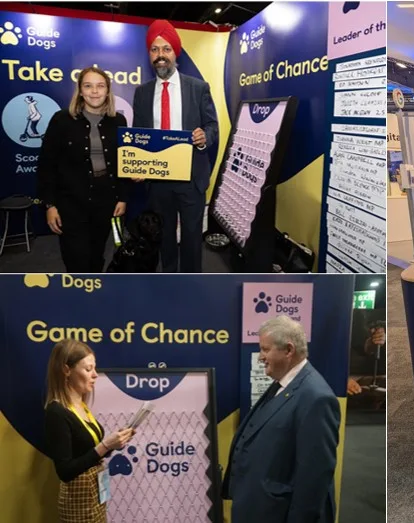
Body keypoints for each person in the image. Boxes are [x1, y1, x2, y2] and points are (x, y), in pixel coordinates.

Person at [222, 316, 341, 523]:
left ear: (288, 350)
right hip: (261, 509)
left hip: (278, 514)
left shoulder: (316, 398)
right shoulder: (284, 383)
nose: (261, 357)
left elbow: (314, 477)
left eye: (265, 349)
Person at [132, 19, 219, 272]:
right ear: (149, 54)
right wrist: (137, 164)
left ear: (175, 52)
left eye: (166, 49)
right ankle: (170, 279)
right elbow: (139, 136)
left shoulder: (198, 87)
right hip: (158, 179)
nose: (161, 55)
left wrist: (205, 137)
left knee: (193, 237)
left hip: (191, 178)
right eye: (154, 49)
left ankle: (191, 282)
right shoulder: (142, 93)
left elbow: (213, 126)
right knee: (164, 235)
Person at [37, 66, 130, 272]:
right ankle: (77, 298)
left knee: (97, 256)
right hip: (71, 205)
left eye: (100, 86)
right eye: (88, 86)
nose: (94, 91)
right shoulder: (61, 120)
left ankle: (92, 298)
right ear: (80, 90)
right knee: (76, 260)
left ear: (107, 90)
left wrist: (122, 198)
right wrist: (50, 205)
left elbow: (124, 164)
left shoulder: (119, 121)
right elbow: (46, 166)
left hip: (106, 203)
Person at [44, 339, 135, 523]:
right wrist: (105, 445)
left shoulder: (81, 406)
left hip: (95, 495)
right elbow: (65, 471)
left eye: (95, 368)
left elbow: (88, 453)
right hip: (78, 502)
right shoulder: (56, 412)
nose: (95, 375)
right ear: (66, 370)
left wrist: (114, 443)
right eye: (88, 369)